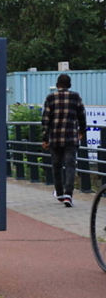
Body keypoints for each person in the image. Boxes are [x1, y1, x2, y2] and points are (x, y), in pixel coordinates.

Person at [42, 73, 87, 207]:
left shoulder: (50, 98)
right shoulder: (75, 97)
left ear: (57, 85)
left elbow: (46, 119)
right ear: (70, 85)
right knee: (70, 165)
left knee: (56, 166)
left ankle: (60, 193)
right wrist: (81, 130)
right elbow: (82, 115)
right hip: (71, 137)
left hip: (55, 138)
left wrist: (45, 138)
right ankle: (69, 194)